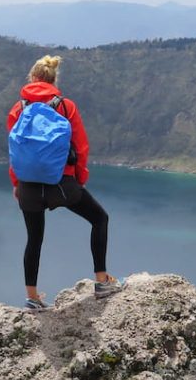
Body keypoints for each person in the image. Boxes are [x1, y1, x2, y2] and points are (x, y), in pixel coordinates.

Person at [7, 54, 121, 310]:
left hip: (28, 187)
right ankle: (102, 282)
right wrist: (78, 179)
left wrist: (16, 184)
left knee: (34, 239)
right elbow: (80, 146)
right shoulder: (65, 106)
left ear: (33, 78)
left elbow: (14, 151)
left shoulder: (18, 109)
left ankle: (32, 298)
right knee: (99, 219)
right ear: (53, 80)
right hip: (62, 184)